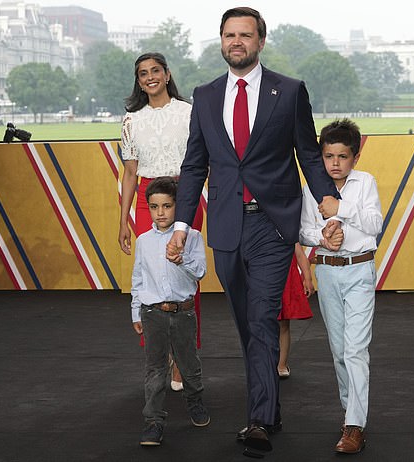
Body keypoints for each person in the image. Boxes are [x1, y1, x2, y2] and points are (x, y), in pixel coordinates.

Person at [166, 6, 340, 457]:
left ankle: (259, 420)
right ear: (221, 41)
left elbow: (308, 152)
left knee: (262, 317)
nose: (236, 42)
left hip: (272, 225)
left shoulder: (290, 91)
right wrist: (182, 224)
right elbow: (193, 165)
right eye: (229, 35)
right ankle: (271, 407)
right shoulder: (204, 96)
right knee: (248, 324)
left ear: (261, 41)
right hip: (225, 226)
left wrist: (326, 197)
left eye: (245, 35)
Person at [119, 52, 204, 391]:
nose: (150, 77)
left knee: (183, 273)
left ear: (168, 75)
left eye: (156, 71)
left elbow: (201, 161)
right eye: (143, 73)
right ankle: (160, 356)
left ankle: (183, 359)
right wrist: (122, 219)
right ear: (138, 80)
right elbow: (129, 173)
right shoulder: (130, 120)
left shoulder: (188, 113)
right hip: (145, 198)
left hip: (184, 196)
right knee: (152, 275)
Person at [300, 119, 383, 455]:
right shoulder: (311, 188)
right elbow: (304, 230)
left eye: (343, 156)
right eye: (329, 155)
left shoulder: (365, 183)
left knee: (355, 349)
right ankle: (350, 413)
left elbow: (375, 224)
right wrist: (322, 237)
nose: (335, 163)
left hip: (360, 269)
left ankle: (354, 426)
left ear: (355, 158)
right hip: (329, 272)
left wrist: (340, 210)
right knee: (338, 352)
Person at [130, 176, 210, 446]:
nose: (160, 212)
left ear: (178, 206)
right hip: (152, 313)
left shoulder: (193, 237)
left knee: (189, 364)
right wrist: (135, 312)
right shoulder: (143, 240)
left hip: (183, 312)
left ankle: (195, 401)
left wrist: (181, 257)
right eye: (154, 207)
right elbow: (138, 278)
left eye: (166, 206)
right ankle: (153, 421)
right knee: (154, 368)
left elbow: (201, 271)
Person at [277, 242, 314, 379]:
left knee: (284, 324)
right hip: (266, 278)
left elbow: (300, 255)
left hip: (286, 279)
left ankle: (282, 364)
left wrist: (308, 279)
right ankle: (265, 363)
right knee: (262, 325)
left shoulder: (287, 231)